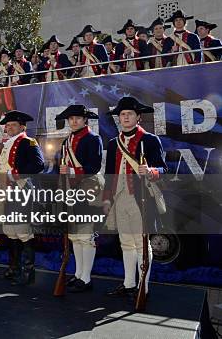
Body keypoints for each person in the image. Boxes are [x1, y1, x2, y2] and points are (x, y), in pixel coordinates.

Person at [102, 97, 167, 297]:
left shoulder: (149, 140)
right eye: (122, 114)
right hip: (120, 199)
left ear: (138, 117)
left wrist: (150, 171)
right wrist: (106, 198)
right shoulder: (114, 144)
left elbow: (164, 168)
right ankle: (129, 283)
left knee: (141, 244)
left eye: (130, 113)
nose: (126, 117)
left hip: (141, 198)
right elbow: (109, 174)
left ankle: (143, 288)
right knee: (126, 243)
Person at [55, 105, 104, 293]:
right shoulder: (67, 140)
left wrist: (72, 170)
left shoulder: (93, 139)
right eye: (71, 118)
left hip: (87, 190)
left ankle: (86, 278)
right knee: (76, 237)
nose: (74, 121)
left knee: (86, 236)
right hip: (70, 191)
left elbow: (94, 166)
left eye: (77, 118)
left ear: (85, 120)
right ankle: (77, 275)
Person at [0, 111, 44, 286]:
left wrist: (15, 173)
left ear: (22, 126)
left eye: (13, 125)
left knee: (23, 231)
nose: (9, 128)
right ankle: (13, 269)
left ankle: (28, 273)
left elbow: (39, 165)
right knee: (10, 231)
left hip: (21, 191)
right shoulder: (8, 143)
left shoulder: (28, 142)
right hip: (6, 192)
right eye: (7, 126)